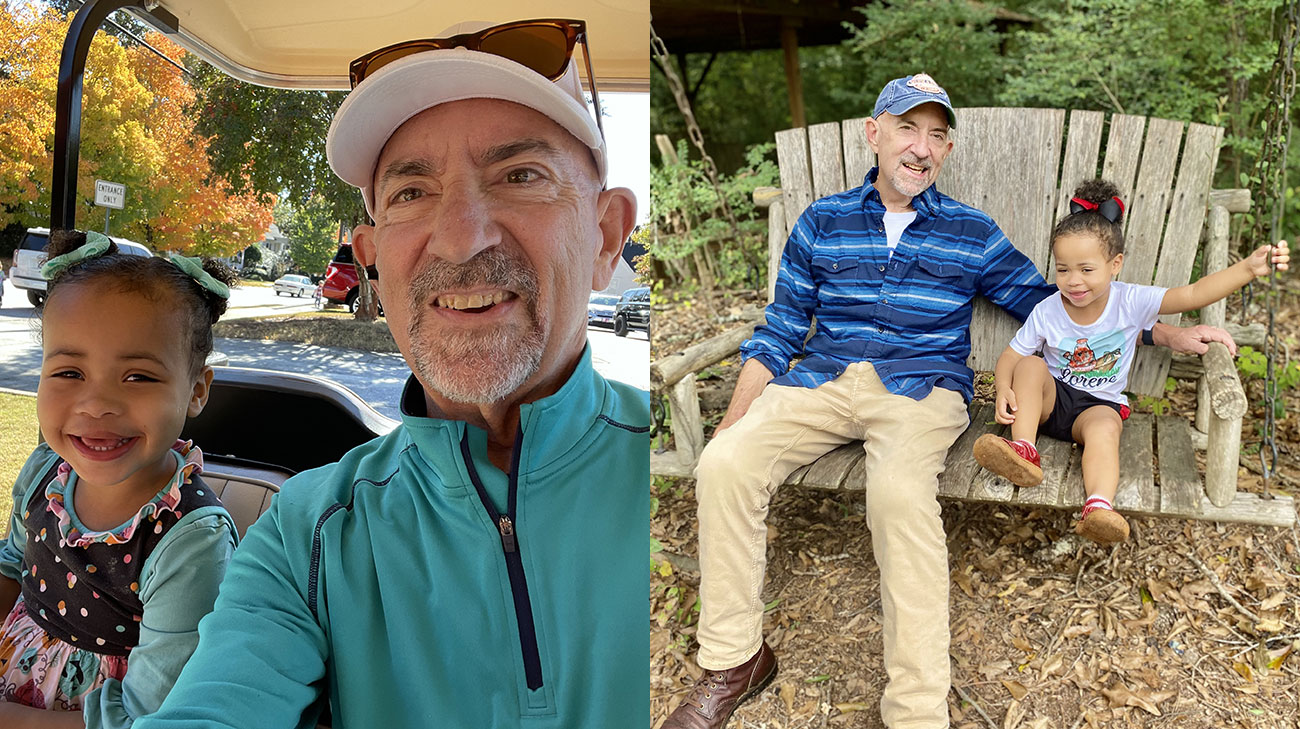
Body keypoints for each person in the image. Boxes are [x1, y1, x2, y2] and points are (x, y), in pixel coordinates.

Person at [660, 74, 1237, 729]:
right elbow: (782, 327)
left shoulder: (970, 231)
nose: (921, 146)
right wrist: (735, 423)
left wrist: (1162, 329)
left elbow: (1052, 301)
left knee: (899, 495)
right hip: (821, 382)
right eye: (908, 127)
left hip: (922, 390)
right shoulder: (821, 221)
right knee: (725, 463)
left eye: (937, 135)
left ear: (948, 150)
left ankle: (916, 712)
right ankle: (735, 660)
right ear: (873, 133)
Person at [134, 18, 646, 729]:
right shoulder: (306, 534)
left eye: (519, 175)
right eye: (411, 192)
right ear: (372, 256)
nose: (463, 235)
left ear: (606, 235)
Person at [0, 231, 238, 728]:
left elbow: (146, 717)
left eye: (138, 377)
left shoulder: (188, 541)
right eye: (69, 372)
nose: (97, 404)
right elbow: (11, 568)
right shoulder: (46, 470)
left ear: (196, 391)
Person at [973, 179, 1289, 544]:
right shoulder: (1047, 310)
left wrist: (1249, 269)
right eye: (1063, 269)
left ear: (1115, 264)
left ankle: (1098, 507)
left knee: (1105, 430)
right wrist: (1002, 391)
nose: (1073, 281)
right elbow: (1011, 355)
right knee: (1029, 365)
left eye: (1087, 270)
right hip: (1051, 401)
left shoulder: (1132, 301)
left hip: (1098, 405)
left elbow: (1194, 293)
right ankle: (1024, 451)